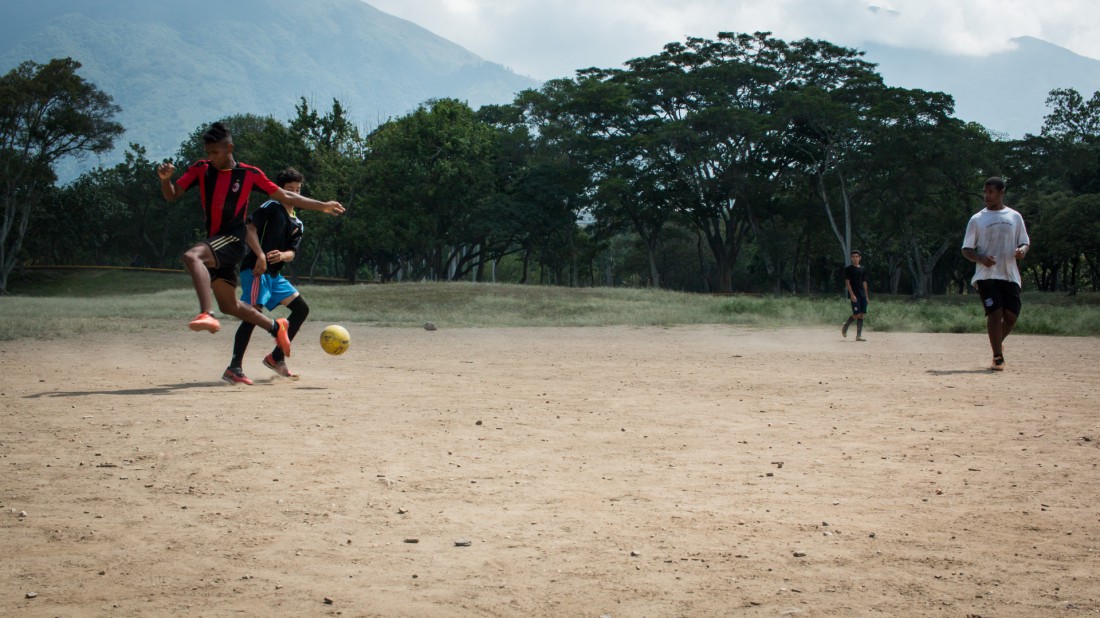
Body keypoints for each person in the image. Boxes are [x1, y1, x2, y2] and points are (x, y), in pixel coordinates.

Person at [156, 122, 345, 370]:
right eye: (208, 152)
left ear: (230, 148)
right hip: (226, 247)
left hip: (233, 240)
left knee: (192, 257)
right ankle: (274, 330)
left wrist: (321, 206)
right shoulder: (201, 169)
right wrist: (165, 180)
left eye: (215, 152)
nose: (210, 157)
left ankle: (209, 316)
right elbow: (172, 195)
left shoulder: (250, 175)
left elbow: (287, 201)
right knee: (231, 306)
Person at [223, 168, 311, 385]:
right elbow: (249, 228)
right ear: (279, 190)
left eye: (297, 190)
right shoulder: (271, 206)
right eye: (289, 189)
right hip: (256, 270)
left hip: (274, 275)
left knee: (301, 309)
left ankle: (276, 357)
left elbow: (292, 252)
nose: (293, 194)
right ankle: (234, 367)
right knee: (254, 313)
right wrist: (261, 256)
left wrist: (283, 255)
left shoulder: (297, 223)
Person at [961, 176, 1030, 371]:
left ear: (1001, 193)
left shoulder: (1014, 217)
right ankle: (998, 356)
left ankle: (997, 343)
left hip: (1009, 274)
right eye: (985, 192)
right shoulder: (977, 219)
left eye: (991, 192)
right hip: (986, 275)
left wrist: (1023, 250)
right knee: (995, 312)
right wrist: (981, 258)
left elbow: (1025, 242)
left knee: (1011, 317)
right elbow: (966, 249)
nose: (987, 196)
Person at [841, 249, 869, 341]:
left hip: (862, 294)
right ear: (851, 258)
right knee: (856, 314)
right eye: (853, 257)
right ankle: (846, 325)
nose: (855, 258)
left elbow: (864, 282)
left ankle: (858, 335)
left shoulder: (862, 269)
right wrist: (852, 295)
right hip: (854, 294)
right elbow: (847, 283)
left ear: (860, 258)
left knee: (861, 315)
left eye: (856, 257)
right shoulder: (848, 269)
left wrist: (867, 296)